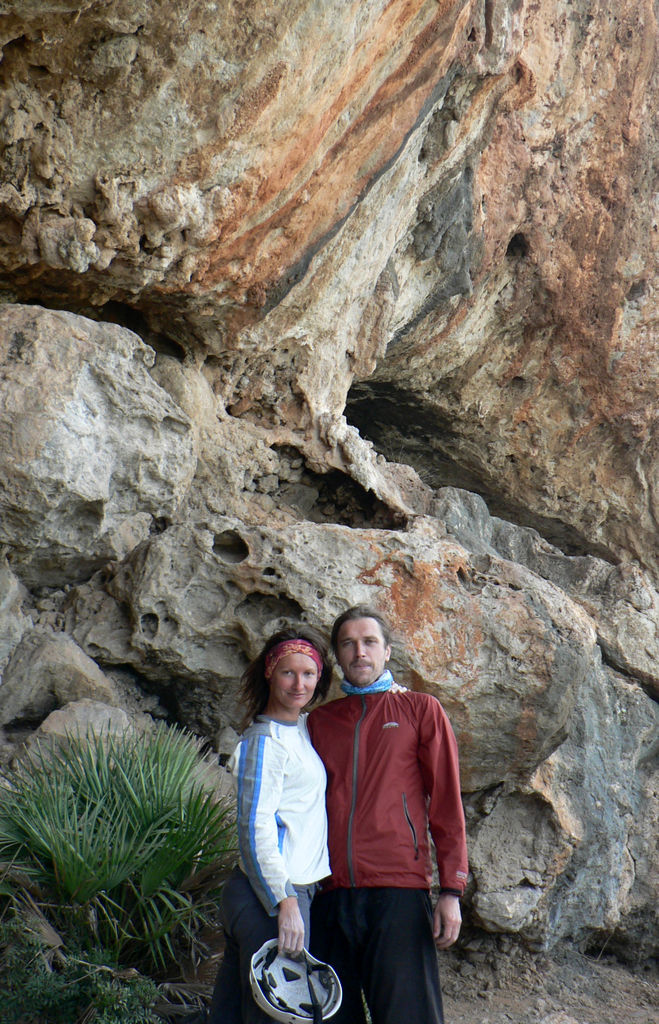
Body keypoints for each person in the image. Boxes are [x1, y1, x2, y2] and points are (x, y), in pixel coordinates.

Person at [307, 604, 468, 1024]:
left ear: (387, 651)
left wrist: (451, 890)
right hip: (329, 894)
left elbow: (447, 803)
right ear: (338, 656)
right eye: (348, 644)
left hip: (397, 892)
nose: (359, 652)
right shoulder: (318, 723)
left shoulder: (420, 709)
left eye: (369, 642)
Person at [208, 625, 334, 1024]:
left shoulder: (300, 728)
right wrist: (286, 902)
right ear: (269, 673)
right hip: (272, 897)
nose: (299, 684)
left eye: (309, 674)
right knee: (275, 1019)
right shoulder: (264, 742)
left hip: (276, 895)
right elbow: (253, 828)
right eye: (288, 673)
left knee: (230, 1014)